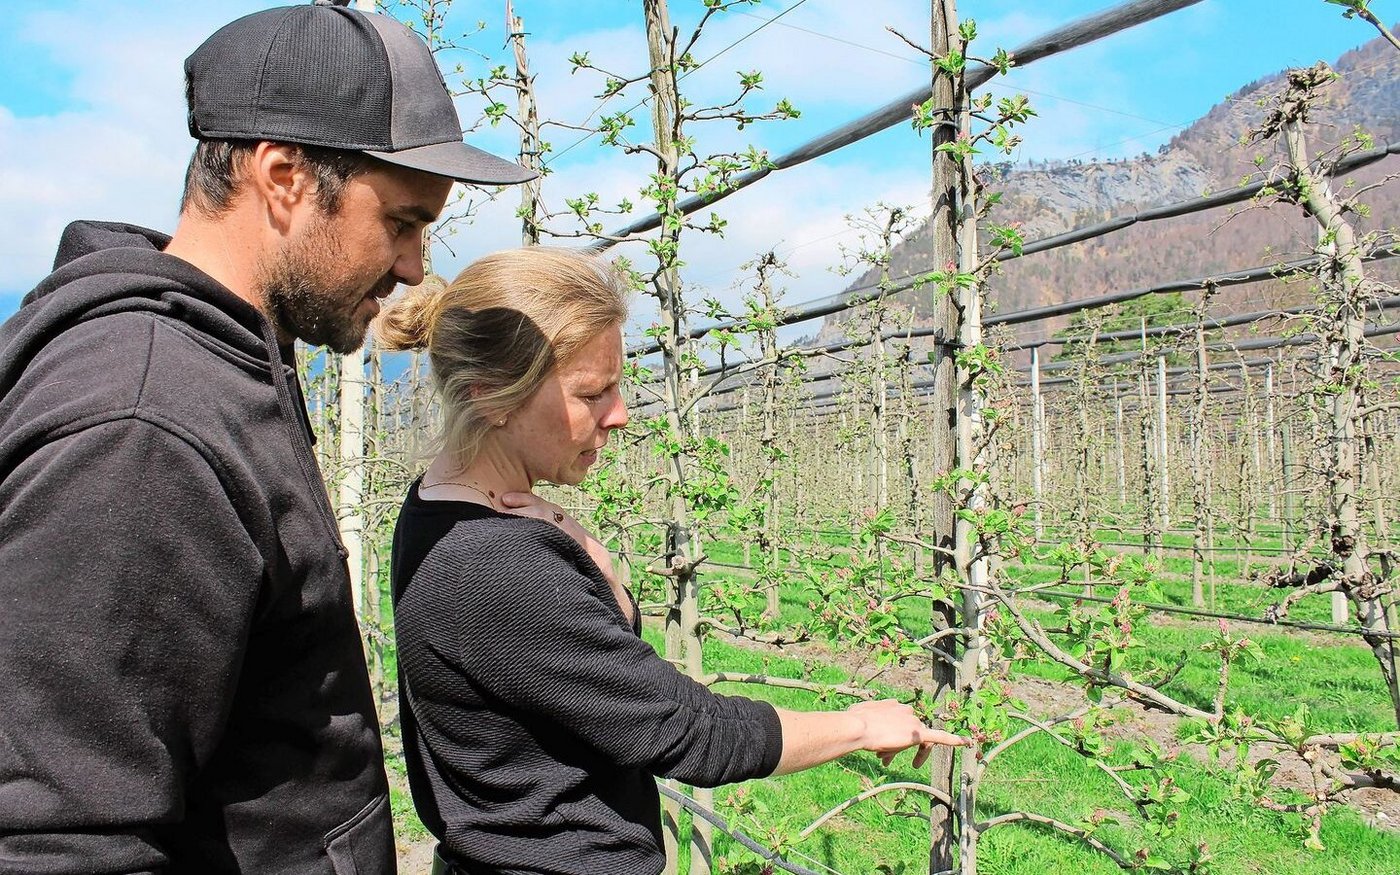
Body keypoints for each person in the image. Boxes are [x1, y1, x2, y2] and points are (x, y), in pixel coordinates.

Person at [0, 3, 533, 872]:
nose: (413, 266)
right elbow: (56, 838)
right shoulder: (144, 425)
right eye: (401, 221)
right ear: (282, 176)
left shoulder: (225, 366)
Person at [378, 248, 965, 875]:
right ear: (491, 395)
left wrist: (588, 558)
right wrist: (860, 725)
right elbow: (691, 731)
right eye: (592, 392)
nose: (621, 414)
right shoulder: (492, 564)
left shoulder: (442, 509)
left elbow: (588, 683)